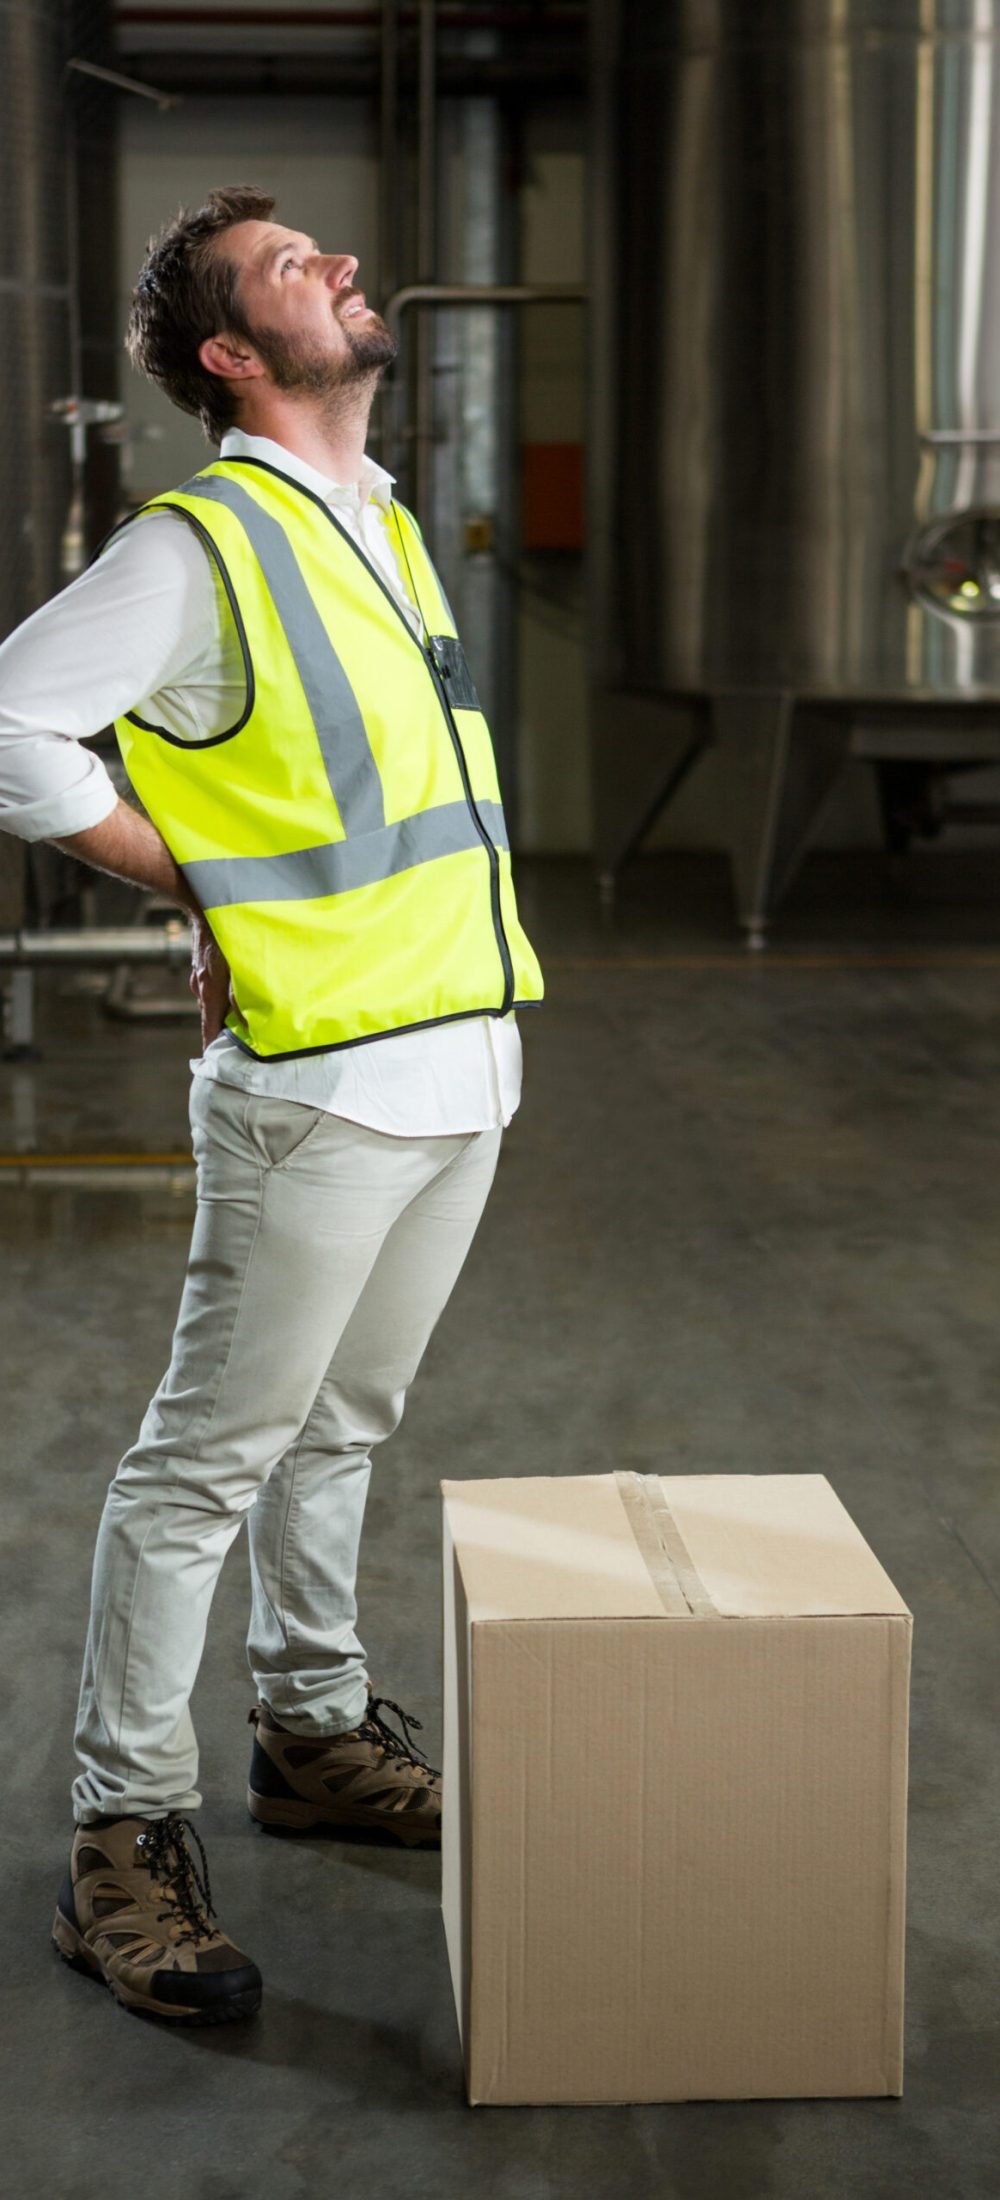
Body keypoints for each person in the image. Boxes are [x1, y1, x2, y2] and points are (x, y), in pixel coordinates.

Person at [0, 184, 543, 2026]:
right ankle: (121, 1839)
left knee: (345, 1424)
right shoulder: (200, 542)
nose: (334, 261)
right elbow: (7, 726)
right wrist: (200, 883)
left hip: (458, 1059)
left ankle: (310, 1730)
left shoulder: (378, 519)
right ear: (234, 355)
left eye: (321, 244)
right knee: (203, 1465)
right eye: (286, 263)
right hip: (318, 1086)